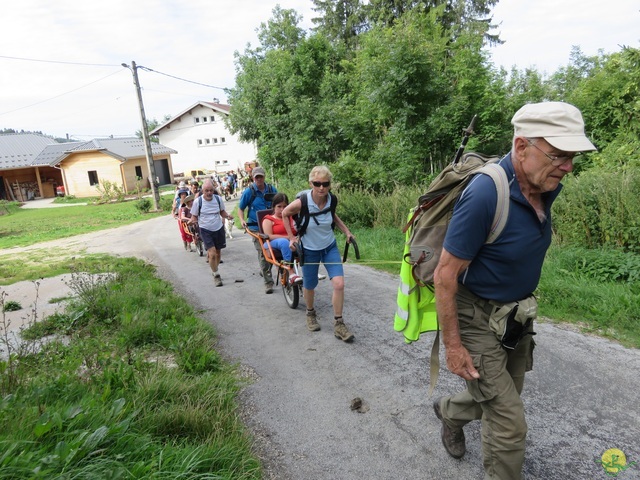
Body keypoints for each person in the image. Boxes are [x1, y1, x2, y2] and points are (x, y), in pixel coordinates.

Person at [432, 102, 597, 479]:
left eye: (571, 157)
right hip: (475, 315)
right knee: (509, 421)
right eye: (559, 155)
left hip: (516, 315)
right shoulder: (485, 195)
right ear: (522, 147)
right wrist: (454, 347)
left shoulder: (545, 183)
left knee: (500, 397)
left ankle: (448, 412)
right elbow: (445, 275)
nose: (568, 166)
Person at [282, 165, 355, 342]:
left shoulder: (332, 199)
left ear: (330, 184)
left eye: (325, 183)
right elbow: (284, 213)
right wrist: (292, 238)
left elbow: (333, 216)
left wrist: (347, 232)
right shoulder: (303, 202)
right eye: (317, 183)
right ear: (311, 183)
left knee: (339, 284)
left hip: (329, 246)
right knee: (310, 285)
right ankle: (310, 312)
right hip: (309, 249)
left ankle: (339, 324)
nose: (321, 187)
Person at [237, 166, 278, 294]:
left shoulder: (272, 189)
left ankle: (264, 269)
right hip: (255, 227)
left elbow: (280, 205)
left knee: (273, 252)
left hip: (271, 225)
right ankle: (268, 283)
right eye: (256, 177)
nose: (259, 179)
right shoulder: (249, 192)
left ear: (264, 177)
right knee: (263, 252)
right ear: (253, 178)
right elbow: (240, 208)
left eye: (261, 176)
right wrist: (242, 220)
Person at [188, 179, 234, 287]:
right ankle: (216, 275)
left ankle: (214, 269)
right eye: (206, 191)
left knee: (218, 254)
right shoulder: (198, 201)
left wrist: (227, 216)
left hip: (218, 228)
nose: (209, 193)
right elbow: (194, 216)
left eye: (211, 190)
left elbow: (222, 212)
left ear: (214, 190)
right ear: (202, 191)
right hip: (205, 229)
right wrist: (191, 221)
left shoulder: (218, 199)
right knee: (212, 253)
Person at [261, 193, 302, 285]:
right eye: (279, 206)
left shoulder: (291, 218)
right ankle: (290, 272)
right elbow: (269, 236)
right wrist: (289, 237)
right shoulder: (268, 219)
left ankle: (310, 270)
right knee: (284, 242)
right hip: (271, 243)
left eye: (285, 206)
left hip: (292, 241)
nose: (282, 209)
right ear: (273, 207)